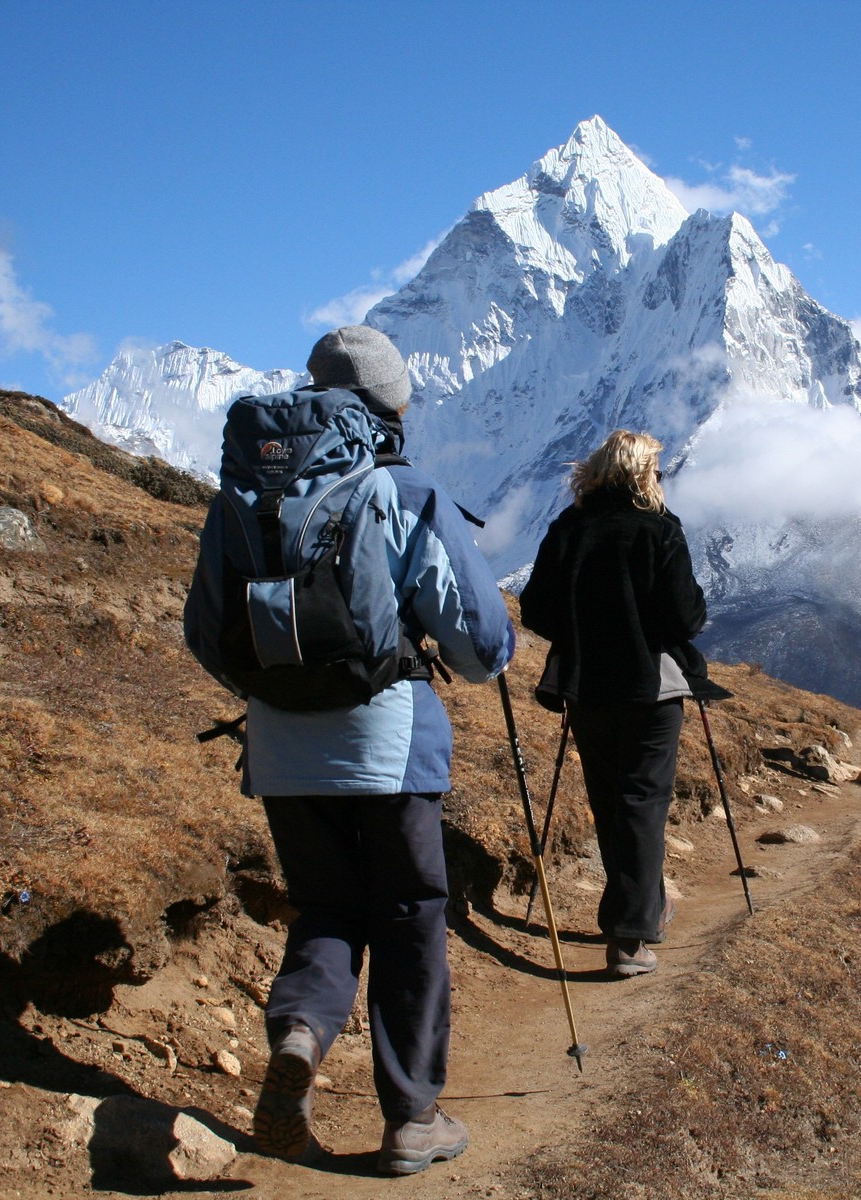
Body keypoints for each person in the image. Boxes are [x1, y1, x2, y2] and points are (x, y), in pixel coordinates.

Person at [183, 325, 515, 1175]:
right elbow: (478, 640)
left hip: (283, 753)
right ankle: (411, 1119)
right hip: (389, 743)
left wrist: (279, 698)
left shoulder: (242, 498)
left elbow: (207, 633)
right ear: (391, 404)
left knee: (326, 909)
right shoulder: (402, 490)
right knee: (409, 915)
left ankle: (299, 1033)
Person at [519, 430, 709, 978]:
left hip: (586, 687)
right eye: (657, 471)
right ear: (642, 475)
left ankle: (647, 906)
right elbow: (686, 618)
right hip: (651, 688)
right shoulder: (659, 531)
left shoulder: (569, 529)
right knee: (644, 800)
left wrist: (582, 632)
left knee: (610, 799)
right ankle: (629, 937)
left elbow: (536, 610)